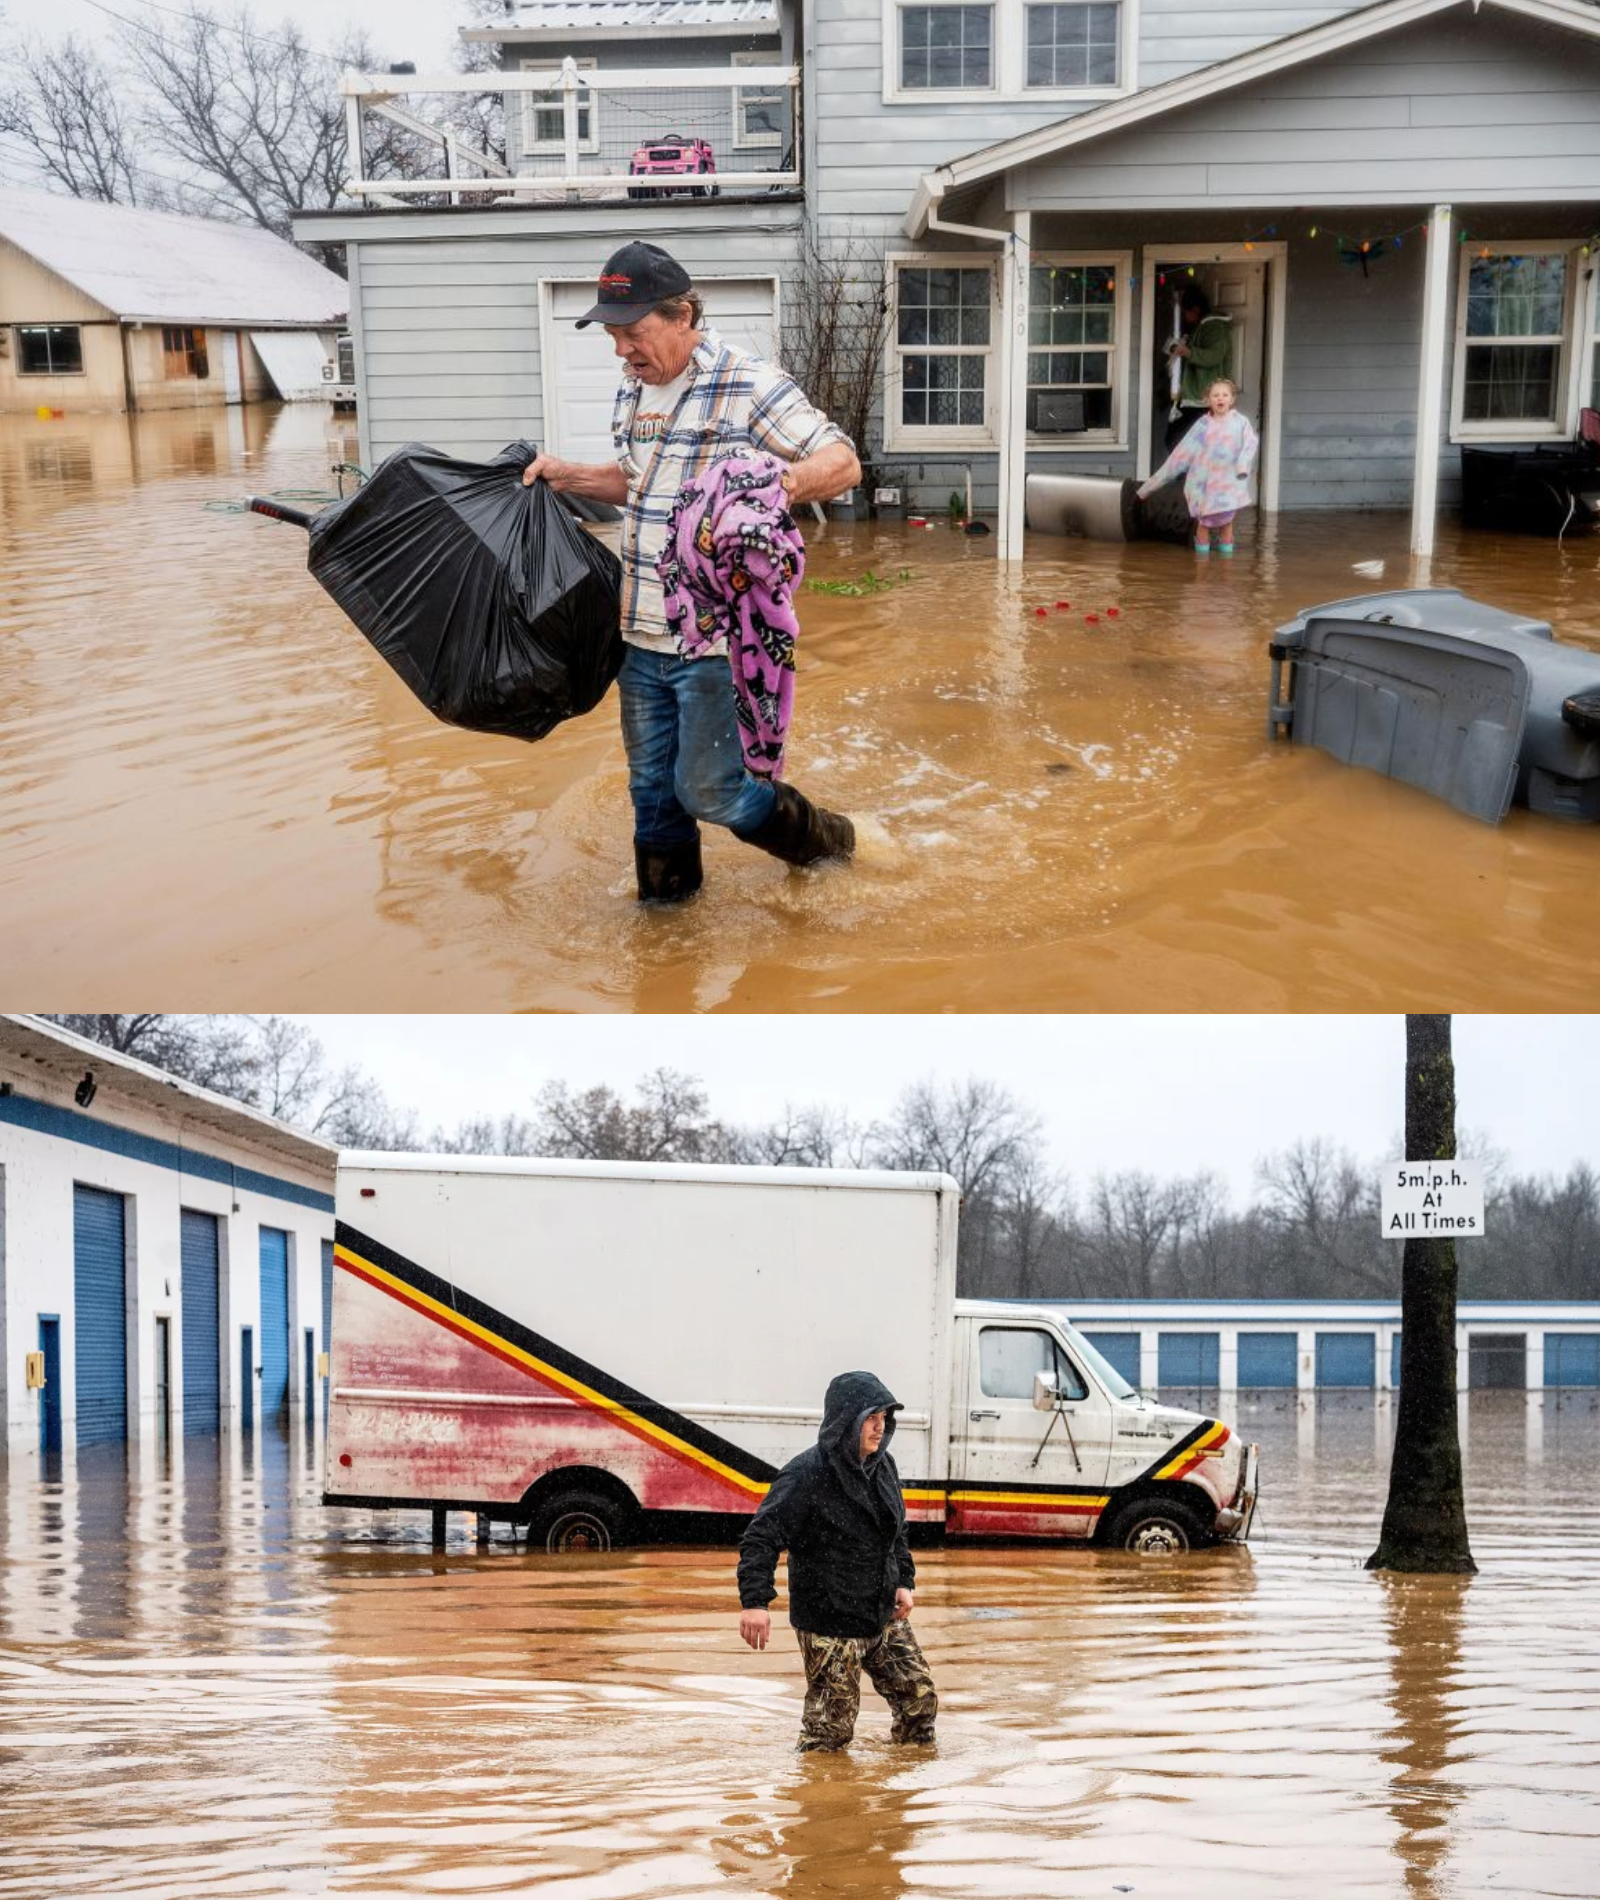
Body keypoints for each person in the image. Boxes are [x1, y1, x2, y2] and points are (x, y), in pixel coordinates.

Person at [521, 241, 861, 904]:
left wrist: (762, 485)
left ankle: (829, 843)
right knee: (650, 791)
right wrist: (572, 475)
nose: (622, 350)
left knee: (710, 790)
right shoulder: (633, 390)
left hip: (712, 643)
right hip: (638, 632)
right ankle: (667, 931)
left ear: (682, 316)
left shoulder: (748, 382)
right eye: (614, 336)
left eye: (634, 333)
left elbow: (842, 463)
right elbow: (642, 485)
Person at [737, 1370, 938, 1753]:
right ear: (848, 1420)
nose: (879, 1429)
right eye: (871, 1419)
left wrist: (903, 1581)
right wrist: (755, 1603)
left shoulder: (885, 1466)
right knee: (830, 1733)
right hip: (829, 1621)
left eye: (884, 1419)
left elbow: (895, 1531)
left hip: (881, 1612)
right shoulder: (806, 1474)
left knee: (920, 1701)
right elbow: (760, 1537)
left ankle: (905, 1794)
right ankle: (821, 1804)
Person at [1138, 377, 1259, 556]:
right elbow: (1179, 456)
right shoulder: (1202, 425)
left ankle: (1226, 568)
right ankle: (1201, 568)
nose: (1220, 398)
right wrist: (1146, 489)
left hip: (1228, 486)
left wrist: (1242, 464)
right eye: (1215, 395)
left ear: (1232, 399)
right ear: (1208, 400)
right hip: (1205, 487)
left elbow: (1250, 444)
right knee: (1204, 524)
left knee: (1226, 523)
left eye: (1225, 395)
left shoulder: (1240, 423)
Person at [1163, 286, 1234, 449]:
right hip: (1193, 397)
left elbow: (1214, 356)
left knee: (1178, 440)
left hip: (1203, 397)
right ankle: (1189, 473)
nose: (1185, 316)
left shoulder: (1214, 327)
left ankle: (1190, 473)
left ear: (1195, 309)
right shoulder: (1200, 327)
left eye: (1186, 312)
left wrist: (1188, 352)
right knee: (1177, 440)